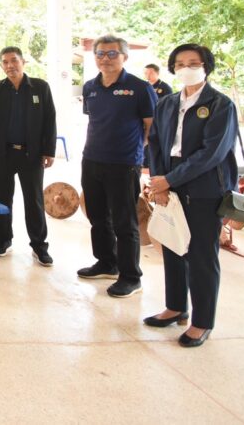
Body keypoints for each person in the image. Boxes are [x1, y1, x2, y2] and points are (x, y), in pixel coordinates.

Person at [145, 44, 238, 348]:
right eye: (180, 63)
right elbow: (155, 143)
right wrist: (160, 182)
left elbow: (212, 153)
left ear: (206, 66)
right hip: (169, 182)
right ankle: (176, 307)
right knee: (172, 245)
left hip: (204, 186)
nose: (186, 68)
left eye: (193, 63)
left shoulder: (220, 104)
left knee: (201, 255)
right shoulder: (167, 103)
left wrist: (169, 180)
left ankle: (202, 321)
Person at [78, 35, 157, 298]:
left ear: (124, 56)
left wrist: (135, 150)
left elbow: (151, 127)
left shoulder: (139, 88)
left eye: (112, 54)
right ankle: (106, 263)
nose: (105, 59)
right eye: (100, 54)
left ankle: (131, 276)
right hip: (91, 160)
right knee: (98, 217)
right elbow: (95, 120)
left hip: (124, 163)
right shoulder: (90, 87)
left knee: (124, 222)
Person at [0, 47, 57, 263]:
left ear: (23, 62)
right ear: (1, 65)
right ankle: (4, 240)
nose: (10, 65)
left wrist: (49, 151)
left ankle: (39, 246)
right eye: (5, 62)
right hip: (3, 154)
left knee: (34, 201)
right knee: (2, 199)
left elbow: (50, 119)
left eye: (14, 60)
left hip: (31, 155)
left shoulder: (40, 87)